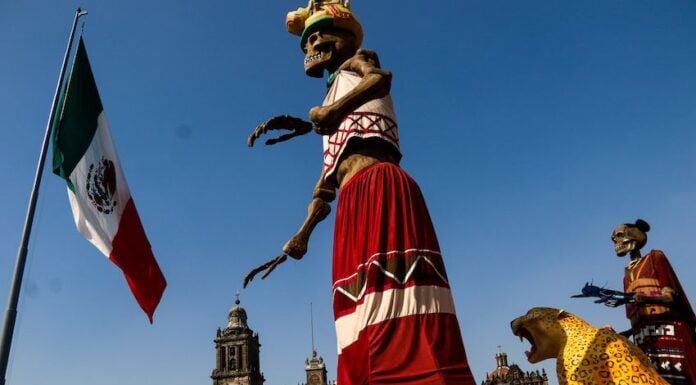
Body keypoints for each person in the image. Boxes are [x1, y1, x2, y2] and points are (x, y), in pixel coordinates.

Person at [244, 1, 476, 384]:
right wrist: (301, 235)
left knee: (399, 303)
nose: (312, 44)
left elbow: (380, 79)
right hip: (350, 205)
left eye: (320, 35)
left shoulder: (357, 62)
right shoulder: (333, 92)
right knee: (357, 315)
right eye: (306, 41)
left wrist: (330, 112)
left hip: (380, 187)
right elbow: (325, 187)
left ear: (346, 38)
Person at [611, 219, 696, 385]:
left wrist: (646, 298)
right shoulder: (626, 276)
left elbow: (670, 296)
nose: (617, 241)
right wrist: (627, 334)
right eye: (614, 239)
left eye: (620, 236)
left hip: (669, 333)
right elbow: (639, 316)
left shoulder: (655, 258)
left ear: (634, 235)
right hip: (645, 342)